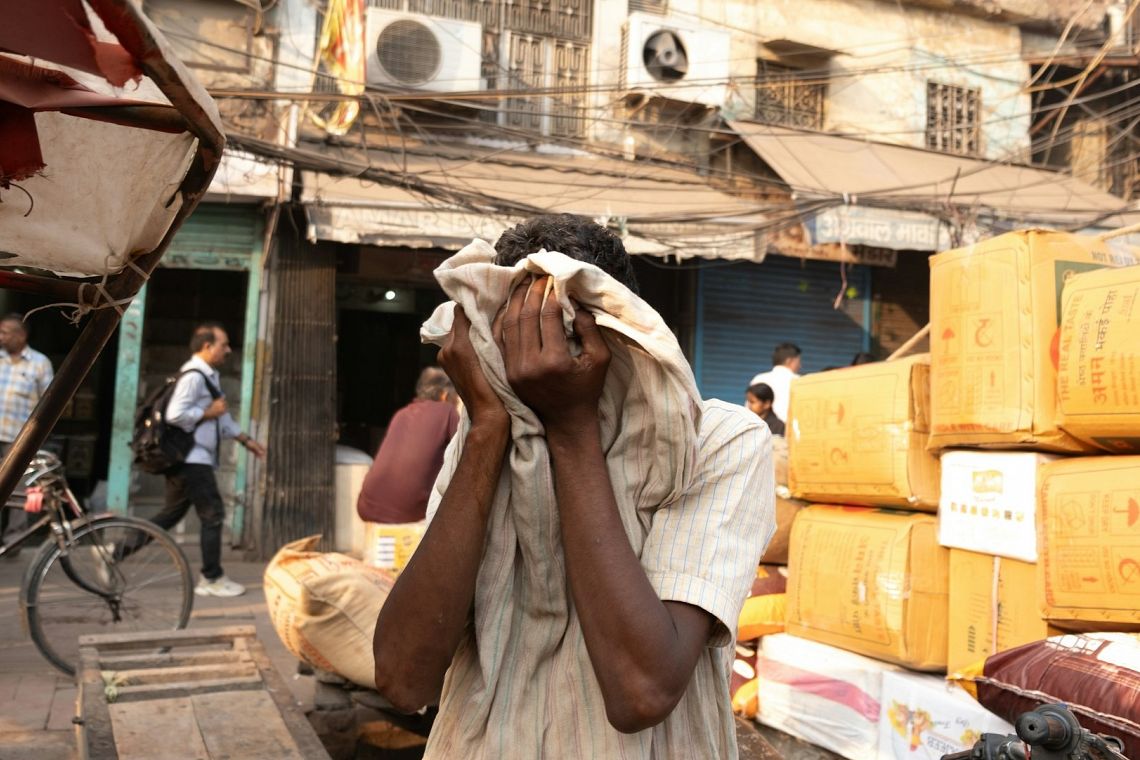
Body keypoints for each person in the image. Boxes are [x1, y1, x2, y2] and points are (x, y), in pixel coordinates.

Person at [373, 214, 774, 758]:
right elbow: (402, 679)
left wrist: (572, 427)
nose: (536, 358)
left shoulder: (722, 441)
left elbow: (641, 692)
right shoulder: (482, 437)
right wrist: (489, 429)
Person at [154, 322, 264, 597]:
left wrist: (247, 442)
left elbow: (222, 420)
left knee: (169, 515)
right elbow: (175, 415)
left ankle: (113, 552)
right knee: (213, 514)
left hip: (194, 458)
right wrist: (207, 413)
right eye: (223, 345)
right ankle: (212, 578)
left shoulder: (208, 376)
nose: (228, 351)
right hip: (192, 458)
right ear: (207, 346)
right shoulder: (193, 376)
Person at [357, 367, 459, 524]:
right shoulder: (448, 411)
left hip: (367, 507)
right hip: (406, 514)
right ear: (444, 395)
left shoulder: (401, 414)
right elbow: (463, 454)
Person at [0, 314, 53, 548]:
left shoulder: (39, 363)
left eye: (5, 333)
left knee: (17, 490)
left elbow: (49, 403)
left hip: (18, 439)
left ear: (21, 336)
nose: (0, 337)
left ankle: (13, 542)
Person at [749, 342, 801, 421]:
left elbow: (748, 410)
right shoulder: (799, 381)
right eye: (798, 362)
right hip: (787, 431)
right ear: (790, 361)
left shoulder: (758, 379)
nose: (800, 366)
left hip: (761, 429)